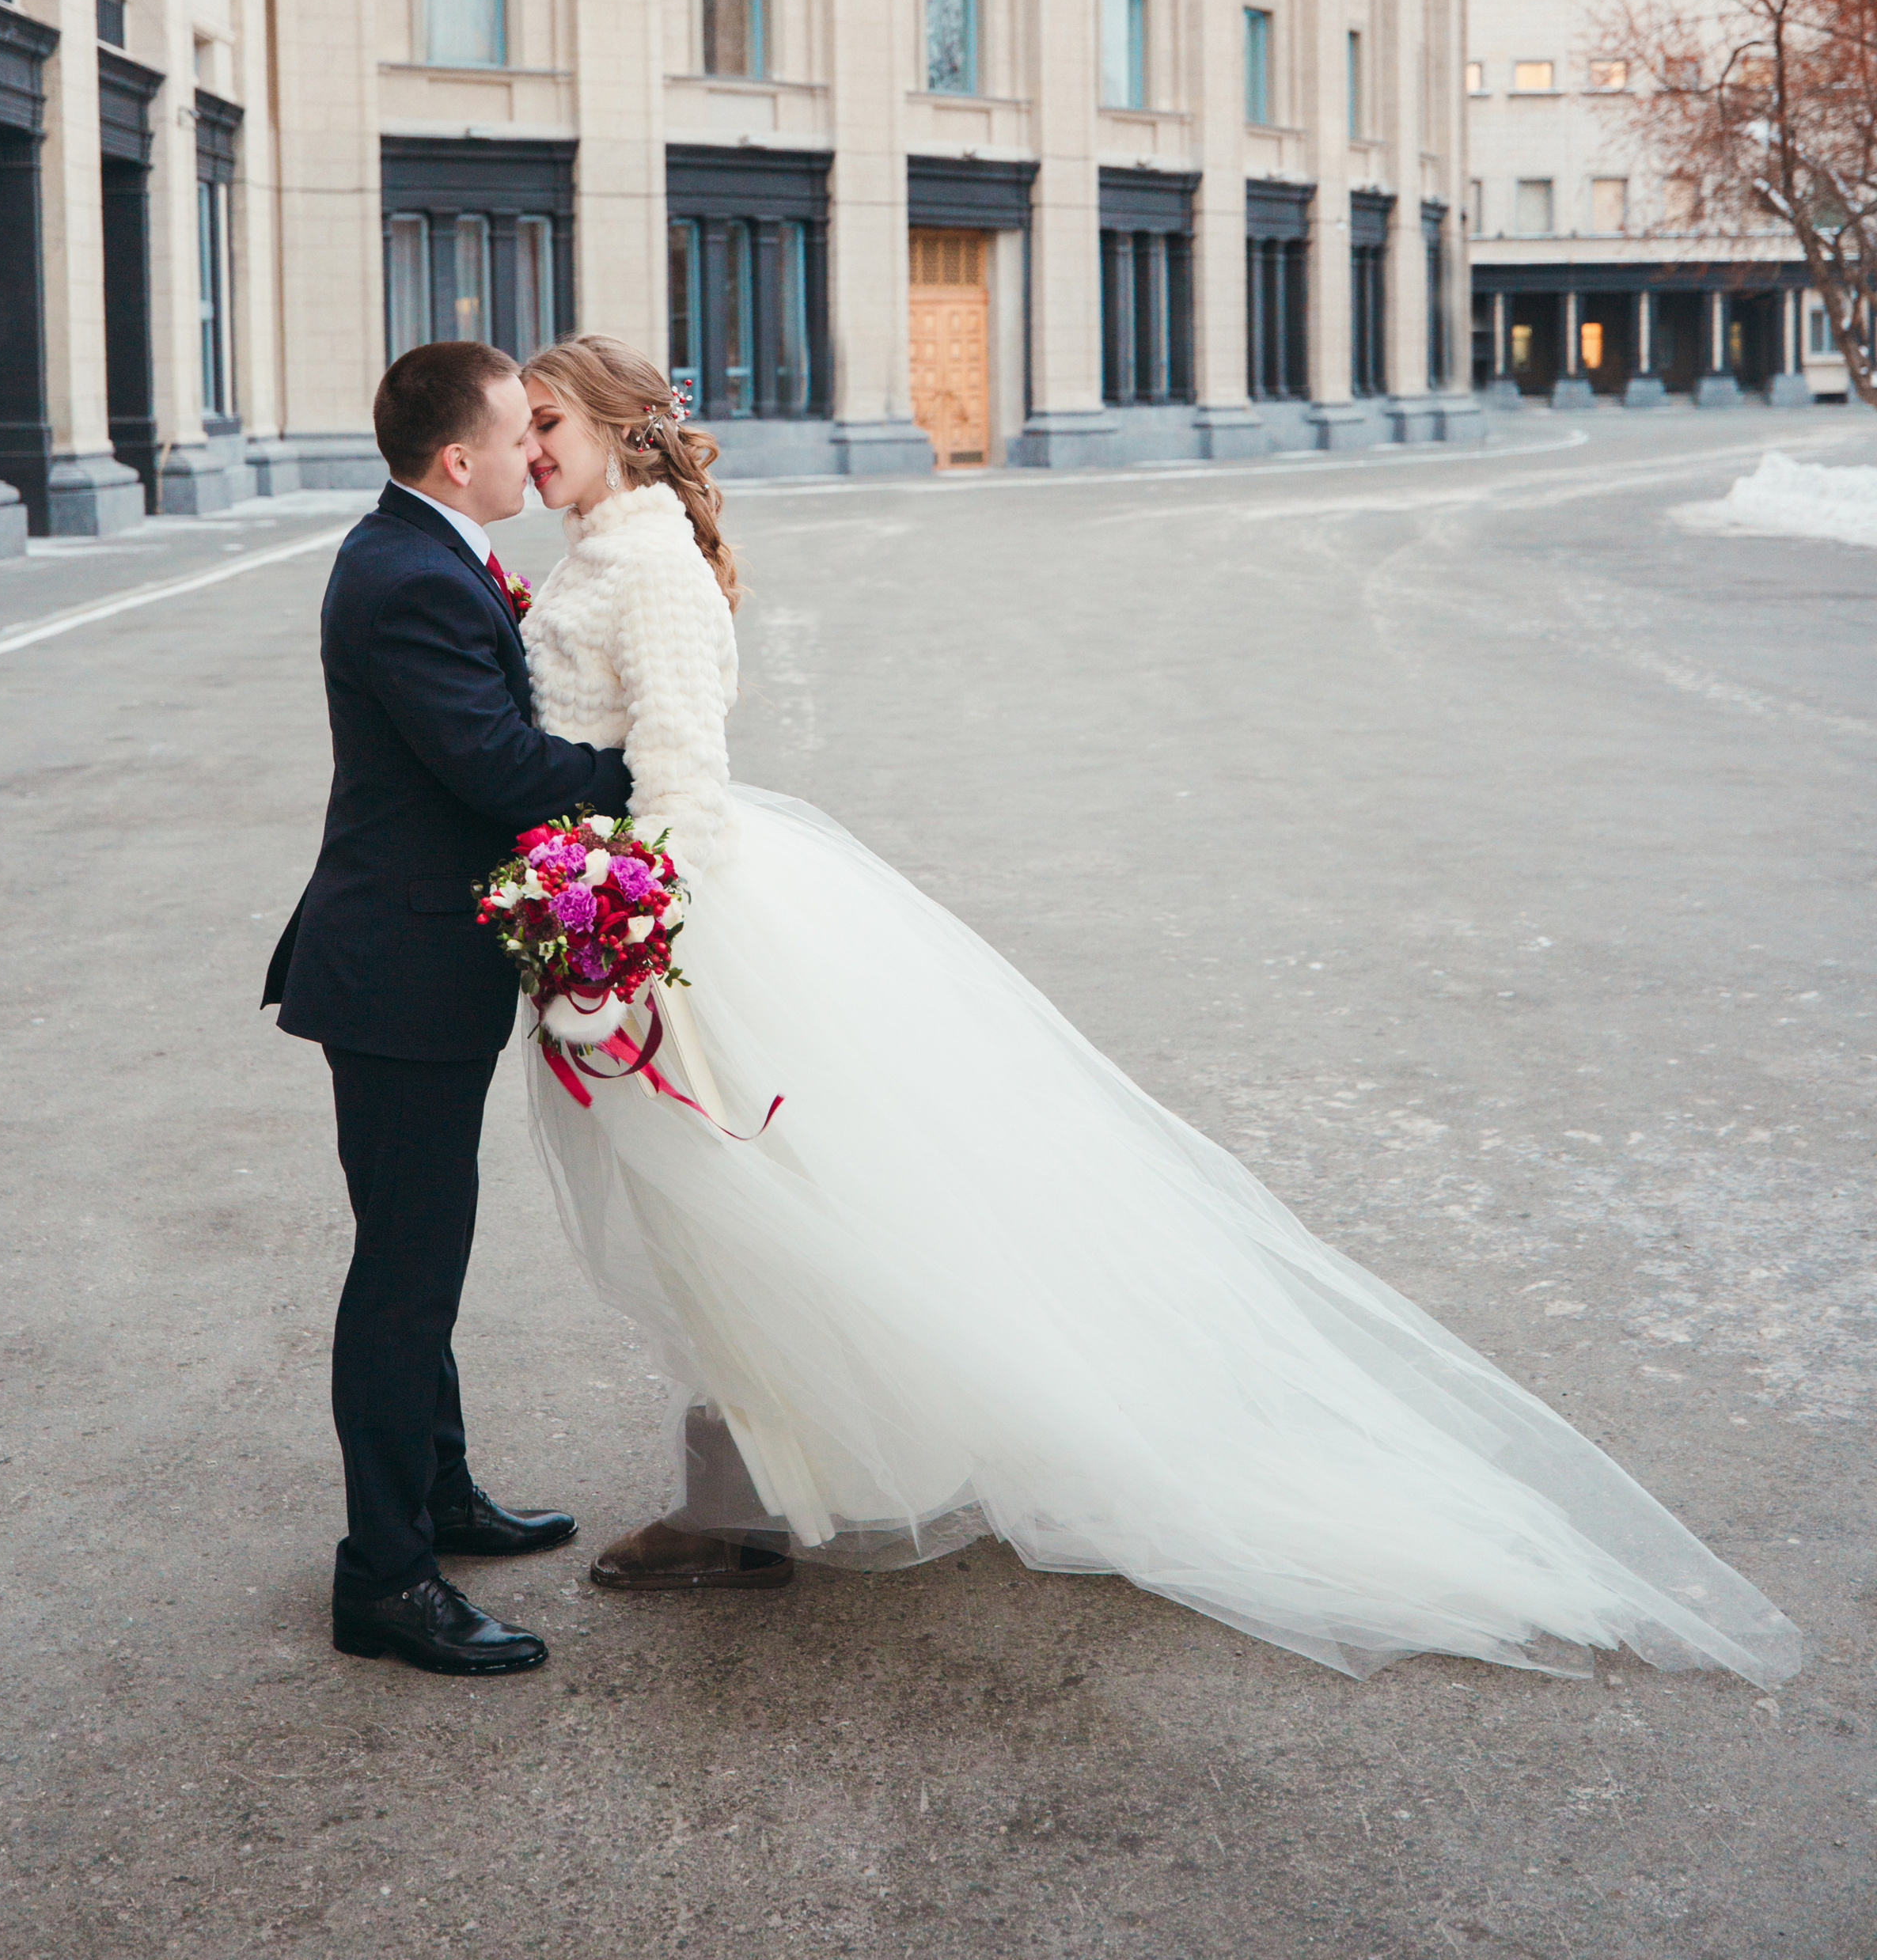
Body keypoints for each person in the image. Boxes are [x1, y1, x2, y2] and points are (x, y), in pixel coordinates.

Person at [509, 331, 1799, 1685]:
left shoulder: (646, 560)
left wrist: (625, 957)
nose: (533, 447)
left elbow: (685, 789)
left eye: (548, 422)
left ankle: (750, 1504)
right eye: (524, 427)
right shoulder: (605, 545)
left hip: (683, 932)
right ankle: (767, 1481)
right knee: (742, 1219)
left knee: (747, 1219)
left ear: (617, 424)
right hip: (655, 916)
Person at [264, 340, 631, 1676]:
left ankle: (444, 1497)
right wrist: (639, 772)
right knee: (405, 1277)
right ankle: (386, 1578)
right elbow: (489, 761)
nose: (535, 450)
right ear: (455, 459)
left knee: (425, 1253)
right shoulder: (408, 573)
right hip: (395, 976)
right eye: (514, 432)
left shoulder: (429, 552)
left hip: (416, 964)